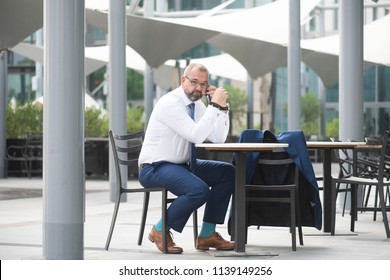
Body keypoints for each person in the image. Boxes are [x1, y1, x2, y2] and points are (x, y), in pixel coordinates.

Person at [138, 63, 235, 254]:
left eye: (203, 84)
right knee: (198, 190)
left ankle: (207, 234)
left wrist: (222, 109)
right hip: (154, 167)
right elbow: (195, 136)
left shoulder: (197, 105)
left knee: (227, 172)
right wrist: (213, 105)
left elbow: (218, 138)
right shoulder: (170, 103)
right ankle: (159, 229)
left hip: (182, 165)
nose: (198, 88)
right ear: (183, 80)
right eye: (194, 82)